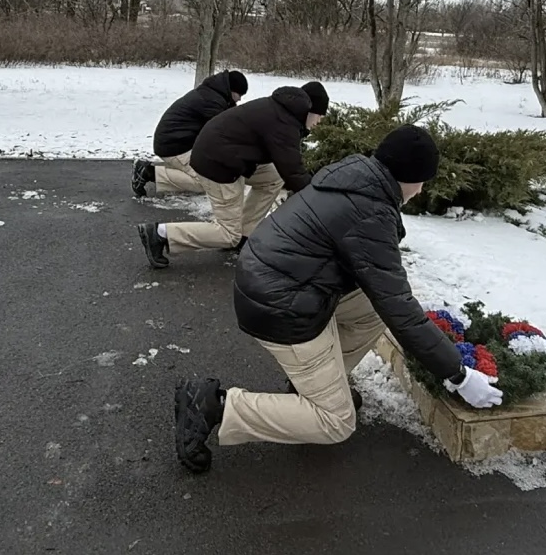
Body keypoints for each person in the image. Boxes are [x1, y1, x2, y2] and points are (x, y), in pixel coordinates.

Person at [171, 124, 504, 473]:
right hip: (279, 306)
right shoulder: (370, 211)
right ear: (406, 175)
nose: (421, 190)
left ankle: (315, 387)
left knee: (371, 311)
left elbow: (386, 299)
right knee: (336, 423)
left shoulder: (356, 179)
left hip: (278, 282)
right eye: (421, 181)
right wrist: (459, 375)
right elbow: (401, 310)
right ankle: (216, 407)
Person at [136, 81, 330, 269]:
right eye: (320, 116)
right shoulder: (284, 123)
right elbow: (293, 171)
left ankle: (245, 232)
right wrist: (319, 198)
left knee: (273, 178)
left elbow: (285, 167)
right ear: (310, 109)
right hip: (218, 165)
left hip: (228, 157)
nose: (319, 122)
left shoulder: (280, 110)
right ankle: (161, 234)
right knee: (228, 234)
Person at [132, 70, 249, 198]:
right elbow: (224, 133)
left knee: (209, 168)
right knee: (207, 181)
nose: (240, 99)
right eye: (240, 94)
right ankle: (148, 173)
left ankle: (178, 172)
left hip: (176, 140)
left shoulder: (212, 93)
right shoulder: (212, 101)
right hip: (173, 146)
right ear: (231, 90)